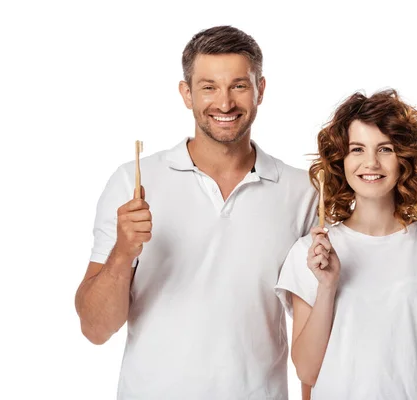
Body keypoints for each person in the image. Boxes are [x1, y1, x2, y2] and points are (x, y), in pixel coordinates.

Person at [75, 25, 317, 399]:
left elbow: (314, 330)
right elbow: (95, 328)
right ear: (186, 94)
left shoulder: (302, 192)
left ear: (260, 90)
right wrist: (123, 252)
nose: (224, 104)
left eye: (238, 85)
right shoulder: (134, 181)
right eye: (208, 87)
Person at [275, 89, 417, 399]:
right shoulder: (311, 253)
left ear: (404, 159)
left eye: (384, 149)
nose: (371, 162)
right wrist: (327, 286)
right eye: (357, 149)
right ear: (341, 159)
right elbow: (306, 371)